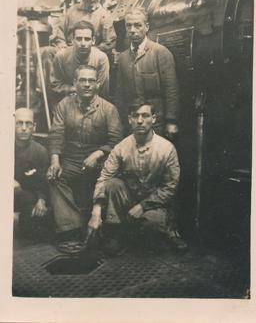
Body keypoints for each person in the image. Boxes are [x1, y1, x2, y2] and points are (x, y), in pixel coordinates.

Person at [87, 99, 187, 255]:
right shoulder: (121, 148)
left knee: (151, 230)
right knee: (112, 184)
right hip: (130, 200)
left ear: (153, 119)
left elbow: (170, 187)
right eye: (135, 116)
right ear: (129, 119)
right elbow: (104, 178)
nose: (140, 121)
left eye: (145, 115)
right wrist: (96, 210)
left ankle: (167, 231)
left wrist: (143, 206)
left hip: (155, 204)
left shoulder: (166, 149)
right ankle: (116, 233)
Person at [47, 65, 123, 248]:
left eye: (91, 81)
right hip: (72, 159)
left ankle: (108, 233)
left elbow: (117, 140)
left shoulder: (109, 109)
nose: (87, 84)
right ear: (75, 83)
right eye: (82, 80)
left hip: (100, 160)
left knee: (112, 181)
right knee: (55, 177)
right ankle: (70, 231)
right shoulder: (64, 105)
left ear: (97, 84)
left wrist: (97, 154)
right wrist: (55, 162)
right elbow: (56, 135)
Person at [115, 7, 180, 139]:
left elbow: (171, 90)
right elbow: (120, 94)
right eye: (129, 26)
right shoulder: (123, 58)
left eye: (137, 25)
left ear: (146, 27)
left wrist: (171, 121)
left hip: (157, 123)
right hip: (132, 124)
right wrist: (122, 122)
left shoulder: (161, 53)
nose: (132, 30)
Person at [50, 0, 116, 53]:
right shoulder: (72, 10)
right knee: (47, 51)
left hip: (90, 54)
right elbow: (60, 32)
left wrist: (90, 51)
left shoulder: (104, 16)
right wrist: (63, 46)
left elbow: (109, 43)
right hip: (68, 52)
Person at [50, 20, 110, 104]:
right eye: (79, 39)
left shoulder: (101, 58)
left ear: (93, 40)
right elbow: (55, 85)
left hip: (93, 103)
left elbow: (102, 91)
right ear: (72, 40)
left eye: (87, 39)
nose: (83, 43)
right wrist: (74, 89)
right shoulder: (61, 56)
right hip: (68, 101)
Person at [14, 108, 49, 236]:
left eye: (28, 123)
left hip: (25, 196)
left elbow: (42, 182)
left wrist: (41, 200)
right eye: (19, 123)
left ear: (34, 127)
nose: (24, 128)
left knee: (29, 228)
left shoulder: (40, 152)